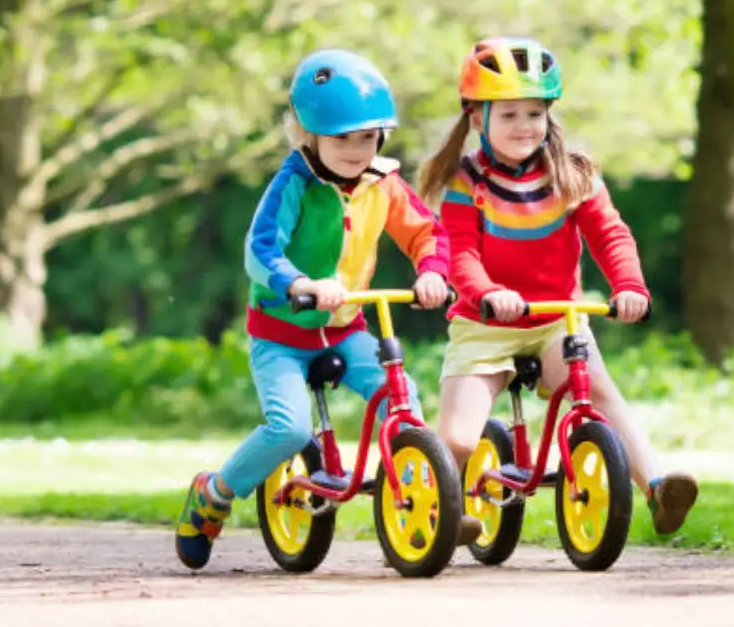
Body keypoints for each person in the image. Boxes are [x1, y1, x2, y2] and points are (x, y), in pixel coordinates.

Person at [176, 48, 480, 570]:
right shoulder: (294, 183)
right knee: (290, 429)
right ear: (307, 134)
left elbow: (427, 233)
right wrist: (300, 282)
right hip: (281, 334)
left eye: (367, 137)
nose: (356, 150)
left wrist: (432, 272)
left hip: (345, 327)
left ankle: (422, 503)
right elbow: (260, 249)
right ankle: (215, 493)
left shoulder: (382, 182)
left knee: (401, 401)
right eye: (342, 139)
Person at [417, 36, 699, 536]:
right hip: (486, 325)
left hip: (556, 319)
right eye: (509, 115)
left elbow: (610, 234)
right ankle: (440, 512)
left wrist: (629, 286)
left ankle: (657, 489)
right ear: (477, 118)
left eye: (535, 113)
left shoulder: (573, 174)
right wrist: (488, 293)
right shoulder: (467, 182)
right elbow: (461, 254)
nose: (524, 126)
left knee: (601, 395)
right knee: (458, 439)